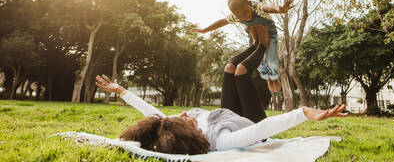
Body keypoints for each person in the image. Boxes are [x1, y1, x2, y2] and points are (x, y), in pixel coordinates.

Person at [95, 42, 348, 155]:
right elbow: (264, 127)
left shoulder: (169, 125)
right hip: (248, 119)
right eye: (184, 120)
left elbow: (149, 111)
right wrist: (303, 112)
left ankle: (255, 42)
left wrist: (121, 91)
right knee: (241, 75)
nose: (184, 114)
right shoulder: (223, 141)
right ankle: (262, 44)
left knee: (229, 68)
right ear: (190, 135)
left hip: (226, 112)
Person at [192, 0, 294, 93]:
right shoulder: (236, 16)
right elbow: (222, 22)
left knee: (271, 58)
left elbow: (268, 8)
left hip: (270, 33)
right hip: (253, 34)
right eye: (241, 17)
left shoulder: (256, 6)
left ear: (249, 3)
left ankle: (274, 76)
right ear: (236, 16)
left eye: (246, 13)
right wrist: (204, 30)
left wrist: (280, 9)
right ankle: (266, 75)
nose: (246, 17)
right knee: (254, 58)